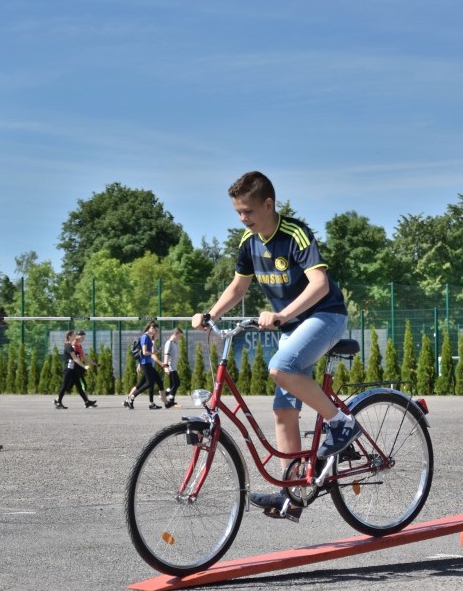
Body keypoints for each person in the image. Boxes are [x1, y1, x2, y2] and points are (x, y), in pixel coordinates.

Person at [191, 170, 357, 522]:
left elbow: (320, 284)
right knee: (283, 412)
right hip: (292, 325)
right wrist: (211, 313)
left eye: (248, 211)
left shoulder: (295, 234)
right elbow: (238, 287)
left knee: (280, 368)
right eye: (238, 212)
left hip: (324, 316)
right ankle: (292, 493)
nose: (243, 219)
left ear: (269, 204)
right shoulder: (248, 243)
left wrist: (282, 314)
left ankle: (342, 423)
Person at [123, 322, 168, 410]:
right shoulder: (145, 337)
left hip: (148, 363)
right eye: (155, 329)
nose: (155, 331)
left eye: (156, 330)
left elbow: (152, 350)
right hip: (144, 363)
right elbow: (144, 352)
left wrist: (154, 341)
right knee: (149, 383)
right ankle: (132, 397)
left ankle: (161, 402)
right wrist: (153, 353)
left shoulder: (149, 338)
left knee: (158, 381)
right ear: (150, 328)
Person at [56, 330, 97, 409]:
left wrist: (92, 363)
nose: (74, 337)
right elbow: (75, 359)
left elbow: (78, 357)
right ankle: (58, 402)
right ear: (69, 337)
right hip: (68, 369)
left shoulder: (71, 346)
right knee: (64, 386)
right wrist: (84, 366)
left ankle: (87, 402)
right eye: (73, 336)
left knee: (78, 386)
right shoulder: (68, 346)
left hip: (72, 370)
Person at [161, 327, 184, 408]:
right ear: (175, 334)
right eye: (179, 336)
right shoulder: (169, 343)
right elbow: (166, 354)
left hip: (173, 366)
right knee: (176, 383)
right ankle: (168, 398)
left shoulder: (174, 343)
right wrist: (166, 366)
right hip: (170, 367)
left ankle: (168, 398)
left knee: (172, 385)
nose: (179, 338)